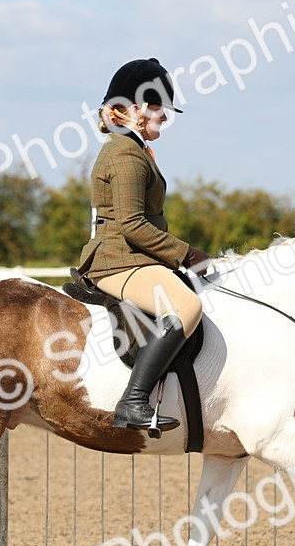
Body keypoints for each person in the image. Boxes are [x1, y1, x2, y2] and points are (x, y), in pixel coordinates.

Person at [77, 57, 212, 434]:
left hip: (134, 257)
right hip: (118, 261)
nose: (165, 118)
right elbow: (132, 224)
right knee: (186, 306)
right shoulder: (124, 154)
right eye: (158, 110)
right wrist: (188, 254)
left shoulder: (132, 150)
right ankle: (133, 401)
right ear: (134, 110)